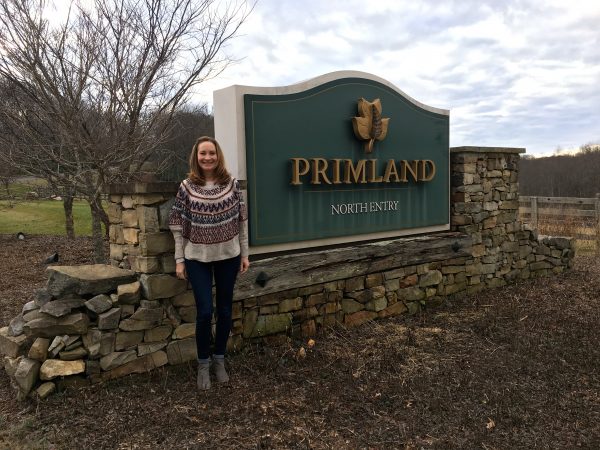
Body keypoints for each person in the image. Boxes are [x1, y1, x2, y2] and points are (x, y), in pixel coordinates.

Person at [169, 136, 250, 390]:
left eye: (211, 153)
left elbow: (242, 222)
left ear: (218, 156)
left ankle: (219, 359)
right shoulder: (187, 186)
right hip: (197, 258)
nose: (207, 158)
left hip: (229, 255)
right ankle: (203, 364)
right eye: (203, 153)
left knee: (225, 310)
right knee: (205, 312)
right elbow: (177, 225)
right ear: (196, 156)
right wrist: (179, 259)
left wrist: (245, 254)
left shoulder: (232, 185)